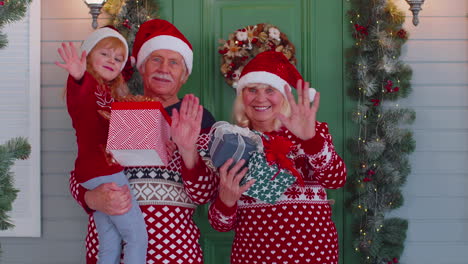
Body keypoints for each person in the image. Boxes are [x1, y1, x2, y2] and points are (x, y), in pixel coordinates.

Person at [68, 19, 217, 264]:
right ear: (142, 67)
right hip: (112, 251)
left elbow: (205, 194)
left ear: (185, 75)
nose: (164, 68)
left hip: (173, 252)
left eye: (174, 63)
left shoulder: (198, 118)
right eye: (156, 59)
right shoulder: (113, 111)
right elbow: (81, 170)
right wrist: (91, 198)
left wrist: (188, 150)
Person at [208, 51, 347, 264]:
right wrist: (226, 202)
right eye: (252, 90)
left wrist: (311, 140)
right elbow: (220, 224)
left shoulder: (310, 131)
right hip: (254, 257)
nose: (260, 98)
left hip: (314, 255)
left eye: (270, 90)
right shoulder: (232, 143)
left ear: (283, 95)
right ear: (242, 96)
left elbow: (336, 179)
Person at [56, 27, 148, 263]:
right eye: (105, 54)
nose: (112, 61)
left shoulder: (110, 95)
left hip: (94, 171)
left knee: (110, 241)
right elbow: (80, 90)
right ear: (88, 56)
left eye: (118, 58)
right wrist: (78, 75)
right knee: (136, 237)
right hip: (103, 170)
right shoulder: (87, 88)